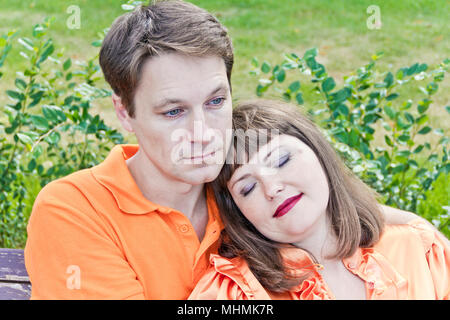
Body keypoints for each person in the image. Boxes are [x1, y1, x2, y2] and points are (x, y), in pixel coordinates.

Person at [24, 1, 436, 299]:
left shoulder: (245, 191)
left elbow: (328, 212)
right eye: (173, 112)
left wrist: (419, 230)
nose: (203, 134)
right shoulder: (76, 209)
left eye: (216, 102)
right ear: (125, 112)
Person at [189, 99, 450, 300]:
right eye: (247, 188)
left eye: (281, 160)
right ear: (236, 211)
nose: (272, 188)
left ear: (319, 155)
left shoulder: (421, 249)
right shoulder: (231, 293)